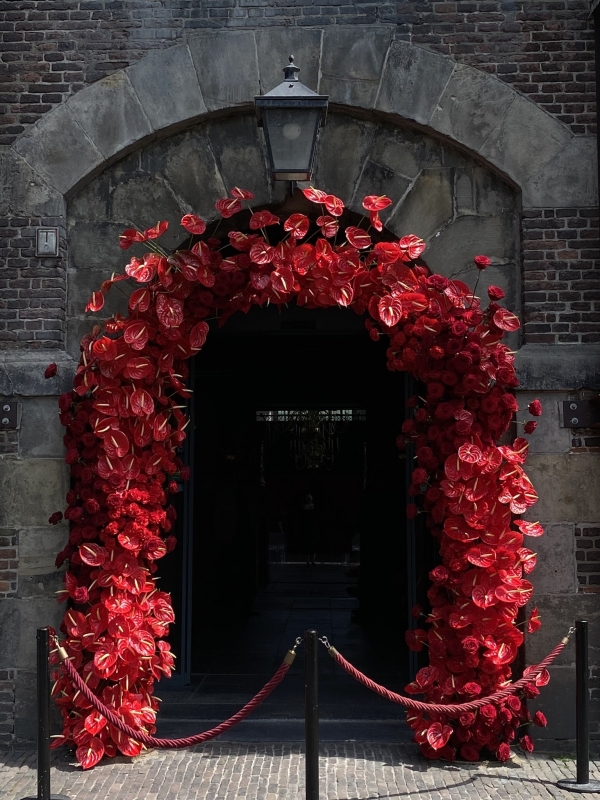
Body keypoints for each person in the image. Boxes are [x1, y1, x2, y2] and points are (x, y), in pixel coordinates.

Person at [300, 493, 317, 566]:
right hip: (308, 528)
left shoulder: (312, 506)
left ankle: (312, 560)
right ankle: (308, 560)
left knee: (313, 545)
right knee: (308, 545)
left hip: (312, 527)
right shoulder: (305, 506)